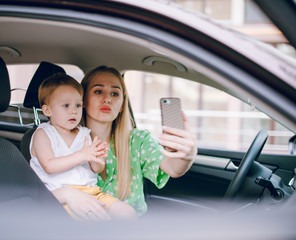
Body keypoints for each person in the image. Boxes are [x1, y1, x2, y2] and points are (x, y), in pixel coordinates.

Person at [51, 66, 197, 220]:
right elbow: (35, 194)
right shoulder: (58, 141)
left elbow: (172, 168)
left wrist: (186, 155)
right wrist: (66, 194)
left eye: (115, 93)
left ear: (121, 105)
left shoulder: (137, 141)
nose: (107, 99)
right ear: (83, 100)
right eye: (98, 91)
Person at [30, 73, 136, 220]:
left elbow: (96, 169)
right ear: (48, 110)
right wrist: (82, 155)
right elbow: (49, 166)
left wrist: (97, 160)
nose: (74, 110)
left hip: (93, 192)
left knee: (127, 213)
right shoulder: (43, 134)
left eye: (78, 105)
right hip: (59, 196)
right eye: (66, 105)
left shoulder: (84, 133)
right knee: (87, 222)